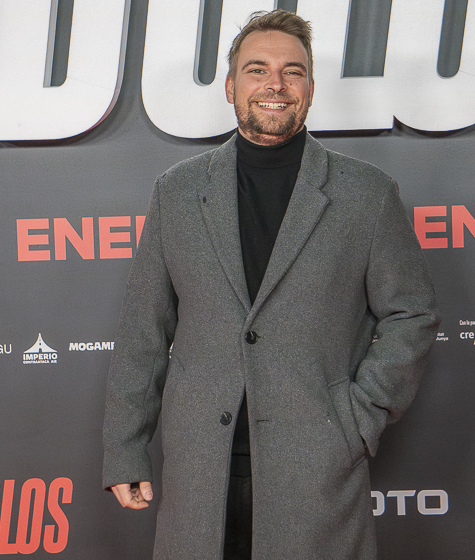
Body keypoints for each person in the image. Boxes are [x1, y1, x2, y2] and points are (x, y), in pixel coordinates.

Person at [103, 9, 439, 559]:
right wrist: (125, 448)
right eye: (257, 69)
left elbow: (413, 313)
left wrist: (358, 418)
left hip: (317, 469)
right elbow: (144, 329)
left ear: (311, 89)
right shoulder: (177, 192)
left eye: (293, 71)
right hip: (199, 471)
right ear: (230, 86)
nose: (275, 85)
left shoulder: (367, 194)